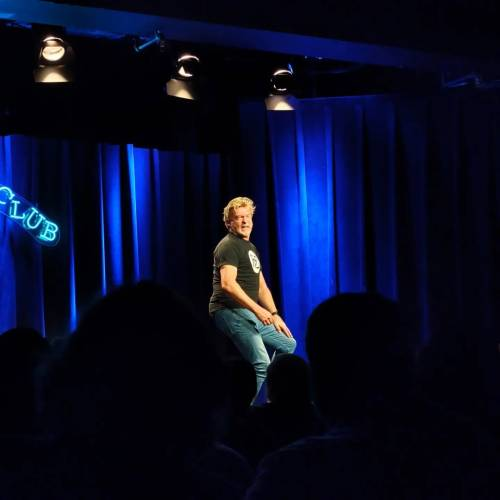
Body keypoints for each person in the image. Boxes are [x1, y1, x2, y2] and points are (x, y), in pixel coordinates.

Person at [209, 197, 296, 399]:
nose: (244, 221)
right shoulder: (228, 246)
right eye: (238, 218)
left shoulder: (250, 248)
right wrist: (258, 310)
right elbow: (228, 284)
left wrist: (274, 314)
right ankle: (241, 414)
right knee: (262, 362)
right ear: (229, 223)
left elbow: (261, 286)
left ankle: (275, 399)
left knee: (288, 344)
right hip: (227, 310)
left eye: (247, 216)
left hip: (245, 311)